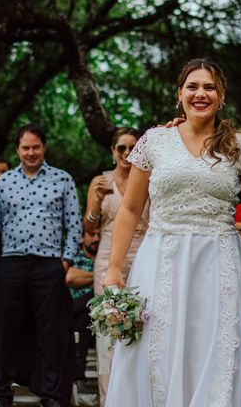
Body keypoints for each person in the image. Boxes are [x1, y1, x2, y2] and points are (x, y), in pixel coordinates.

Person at [103, 59, 241, 406]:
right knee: (158, 349)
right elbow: (129, 209)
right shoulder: (155, 141)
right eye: (193, 86)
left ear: (222, 95)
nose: (201, 94)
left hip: (220, 262)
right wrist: (114, 266)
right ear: (180, 94)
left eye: (210, 87)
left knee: (213, 352)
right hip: (161, 259)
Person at [0, 123, 82, 407]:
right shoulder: (4, 182)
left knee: (50, 333)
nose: (30, 153)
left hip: (48, 265)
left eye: (36, 147)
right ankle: (2, 392)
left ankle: (51, 394)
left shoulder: (62, 180)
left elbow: (74, 226)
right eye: (25, 148)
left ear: (44, 148)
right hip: (11, 264)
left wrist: (64, 263)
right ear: (17, 149)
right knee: (6, 332)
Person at [83, 127, 149, 406]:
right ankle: (109, 398)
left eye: (132, 147)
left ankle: (138, 395)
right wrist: (96, 202)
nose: (126, 153)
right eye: (120, 148)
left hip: (144, 257)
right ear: (112, 152)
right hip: (109, 261)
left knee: (143, 327)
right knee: (110, 330)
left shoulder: (149, 178)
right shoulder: (100, 181)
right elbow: (88, 227)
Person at [65, 228, 100, 402]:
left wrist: (85, 278)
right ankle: (78, 377)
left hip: (96, 320)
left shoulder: (104, 255)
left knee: (87, 312)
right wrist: (97, 276)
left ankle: (78, 377)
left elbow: (77, 279)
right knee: (85, 313)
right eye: (92, 234)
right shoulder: (76, 256)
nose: (96, 238)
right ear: (83, 237)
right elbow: (70, 278)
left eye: (98, 235)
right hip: (74, 314)